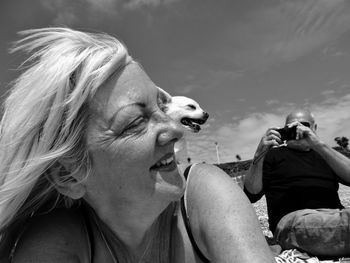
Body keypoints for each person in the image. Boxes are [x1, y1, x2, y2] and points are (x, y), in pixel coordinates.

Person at [0, 27, 275, 263]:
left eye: (160, 107)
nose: (175, 131)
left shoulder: (205, 195)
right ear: (70, 175)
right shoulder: (58, 238)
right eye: (134, 123)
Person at [244, 109, 350, 257]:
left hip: (336, 216)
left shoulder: (325, 155)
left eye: (303, 125)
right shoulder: (273, 155)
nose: (298, 129)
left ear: (314, 128)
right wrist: (260, 153)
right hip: (293, 221)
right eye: (291, 127)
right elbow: (251, 193)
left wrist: (318, 144)